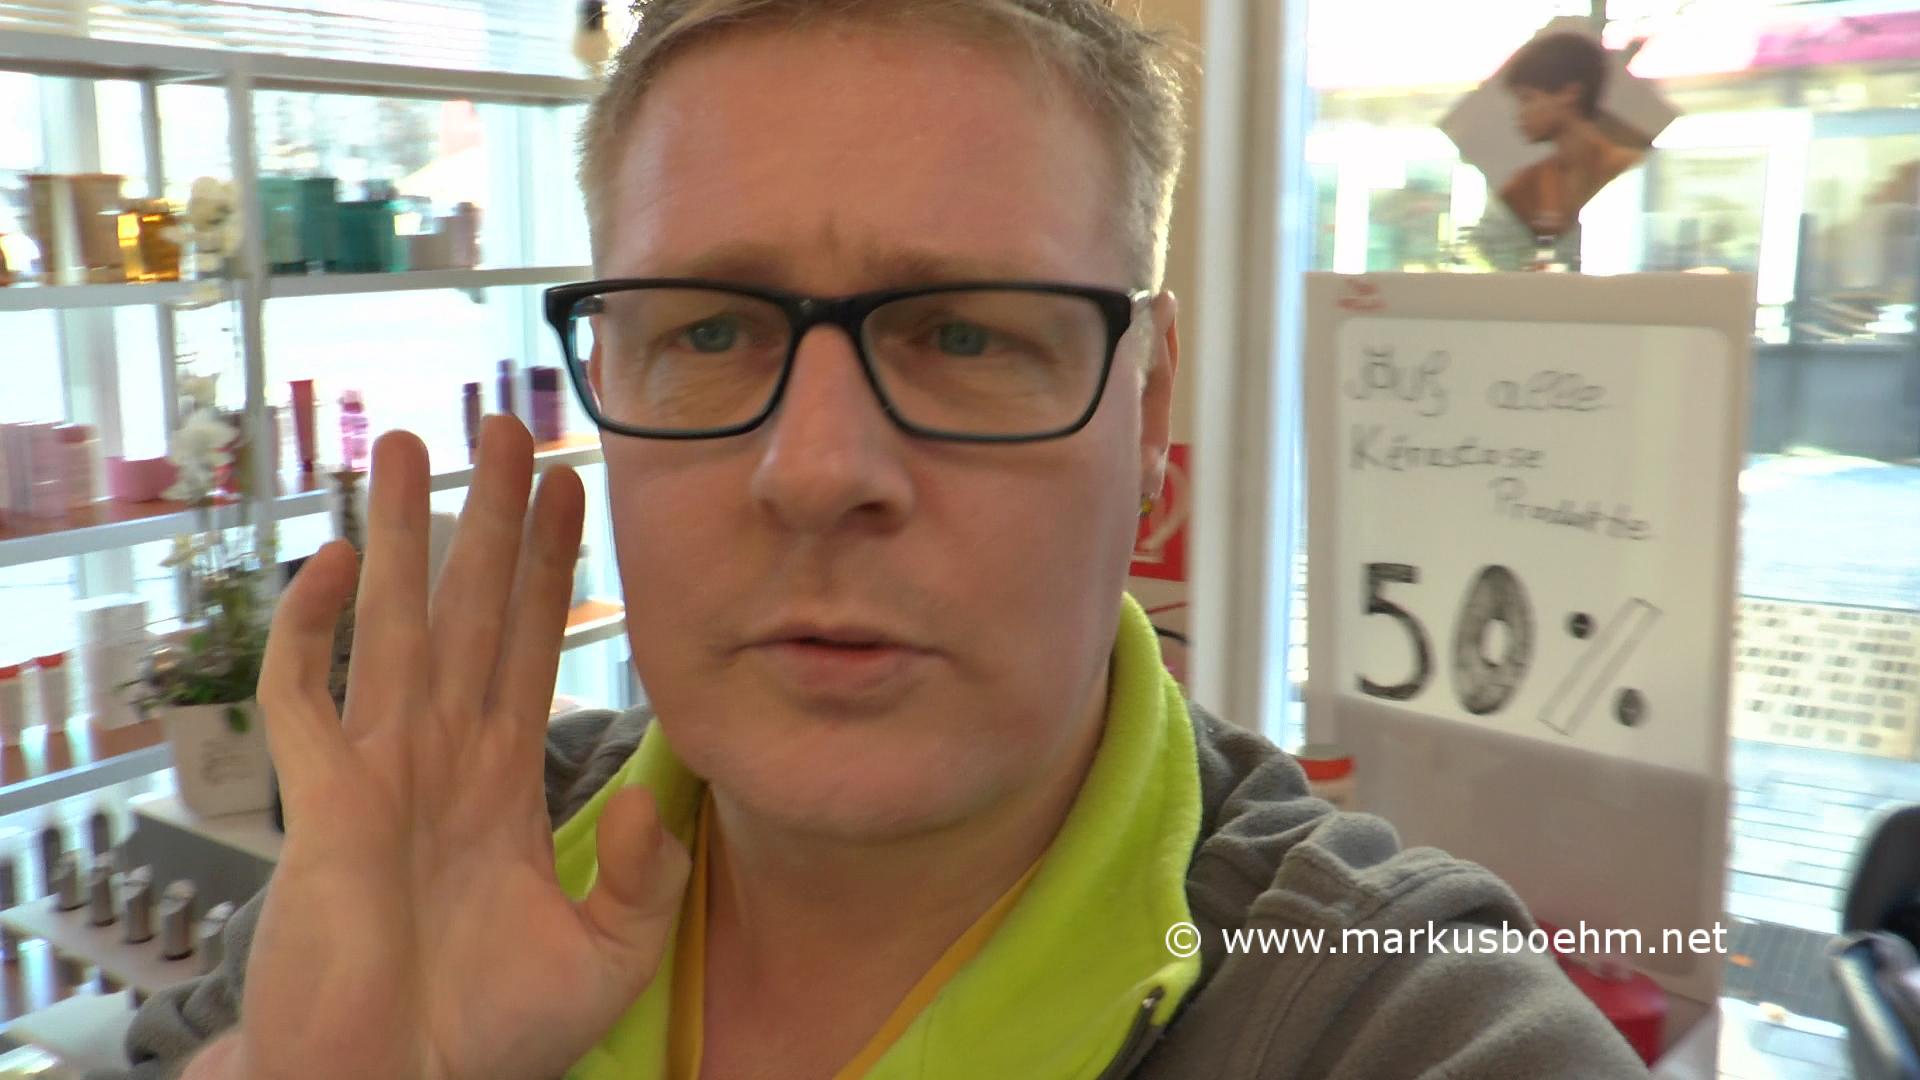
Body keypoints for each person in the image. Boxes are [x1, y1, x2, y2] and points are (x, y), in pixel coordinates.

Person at [103, 2, 1649, 1078]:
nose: (820, 470)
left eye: (966, 334)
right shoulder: (425, 874)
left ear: (1149, 408)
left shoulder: (1396, 1029)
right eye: (710, 329)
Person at [1499, 32, 1645, 239]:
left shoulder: (1629, 168)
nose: (1519, 114)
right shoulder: (1524, 187)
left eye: (1527, 98)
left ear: (1569, 94)